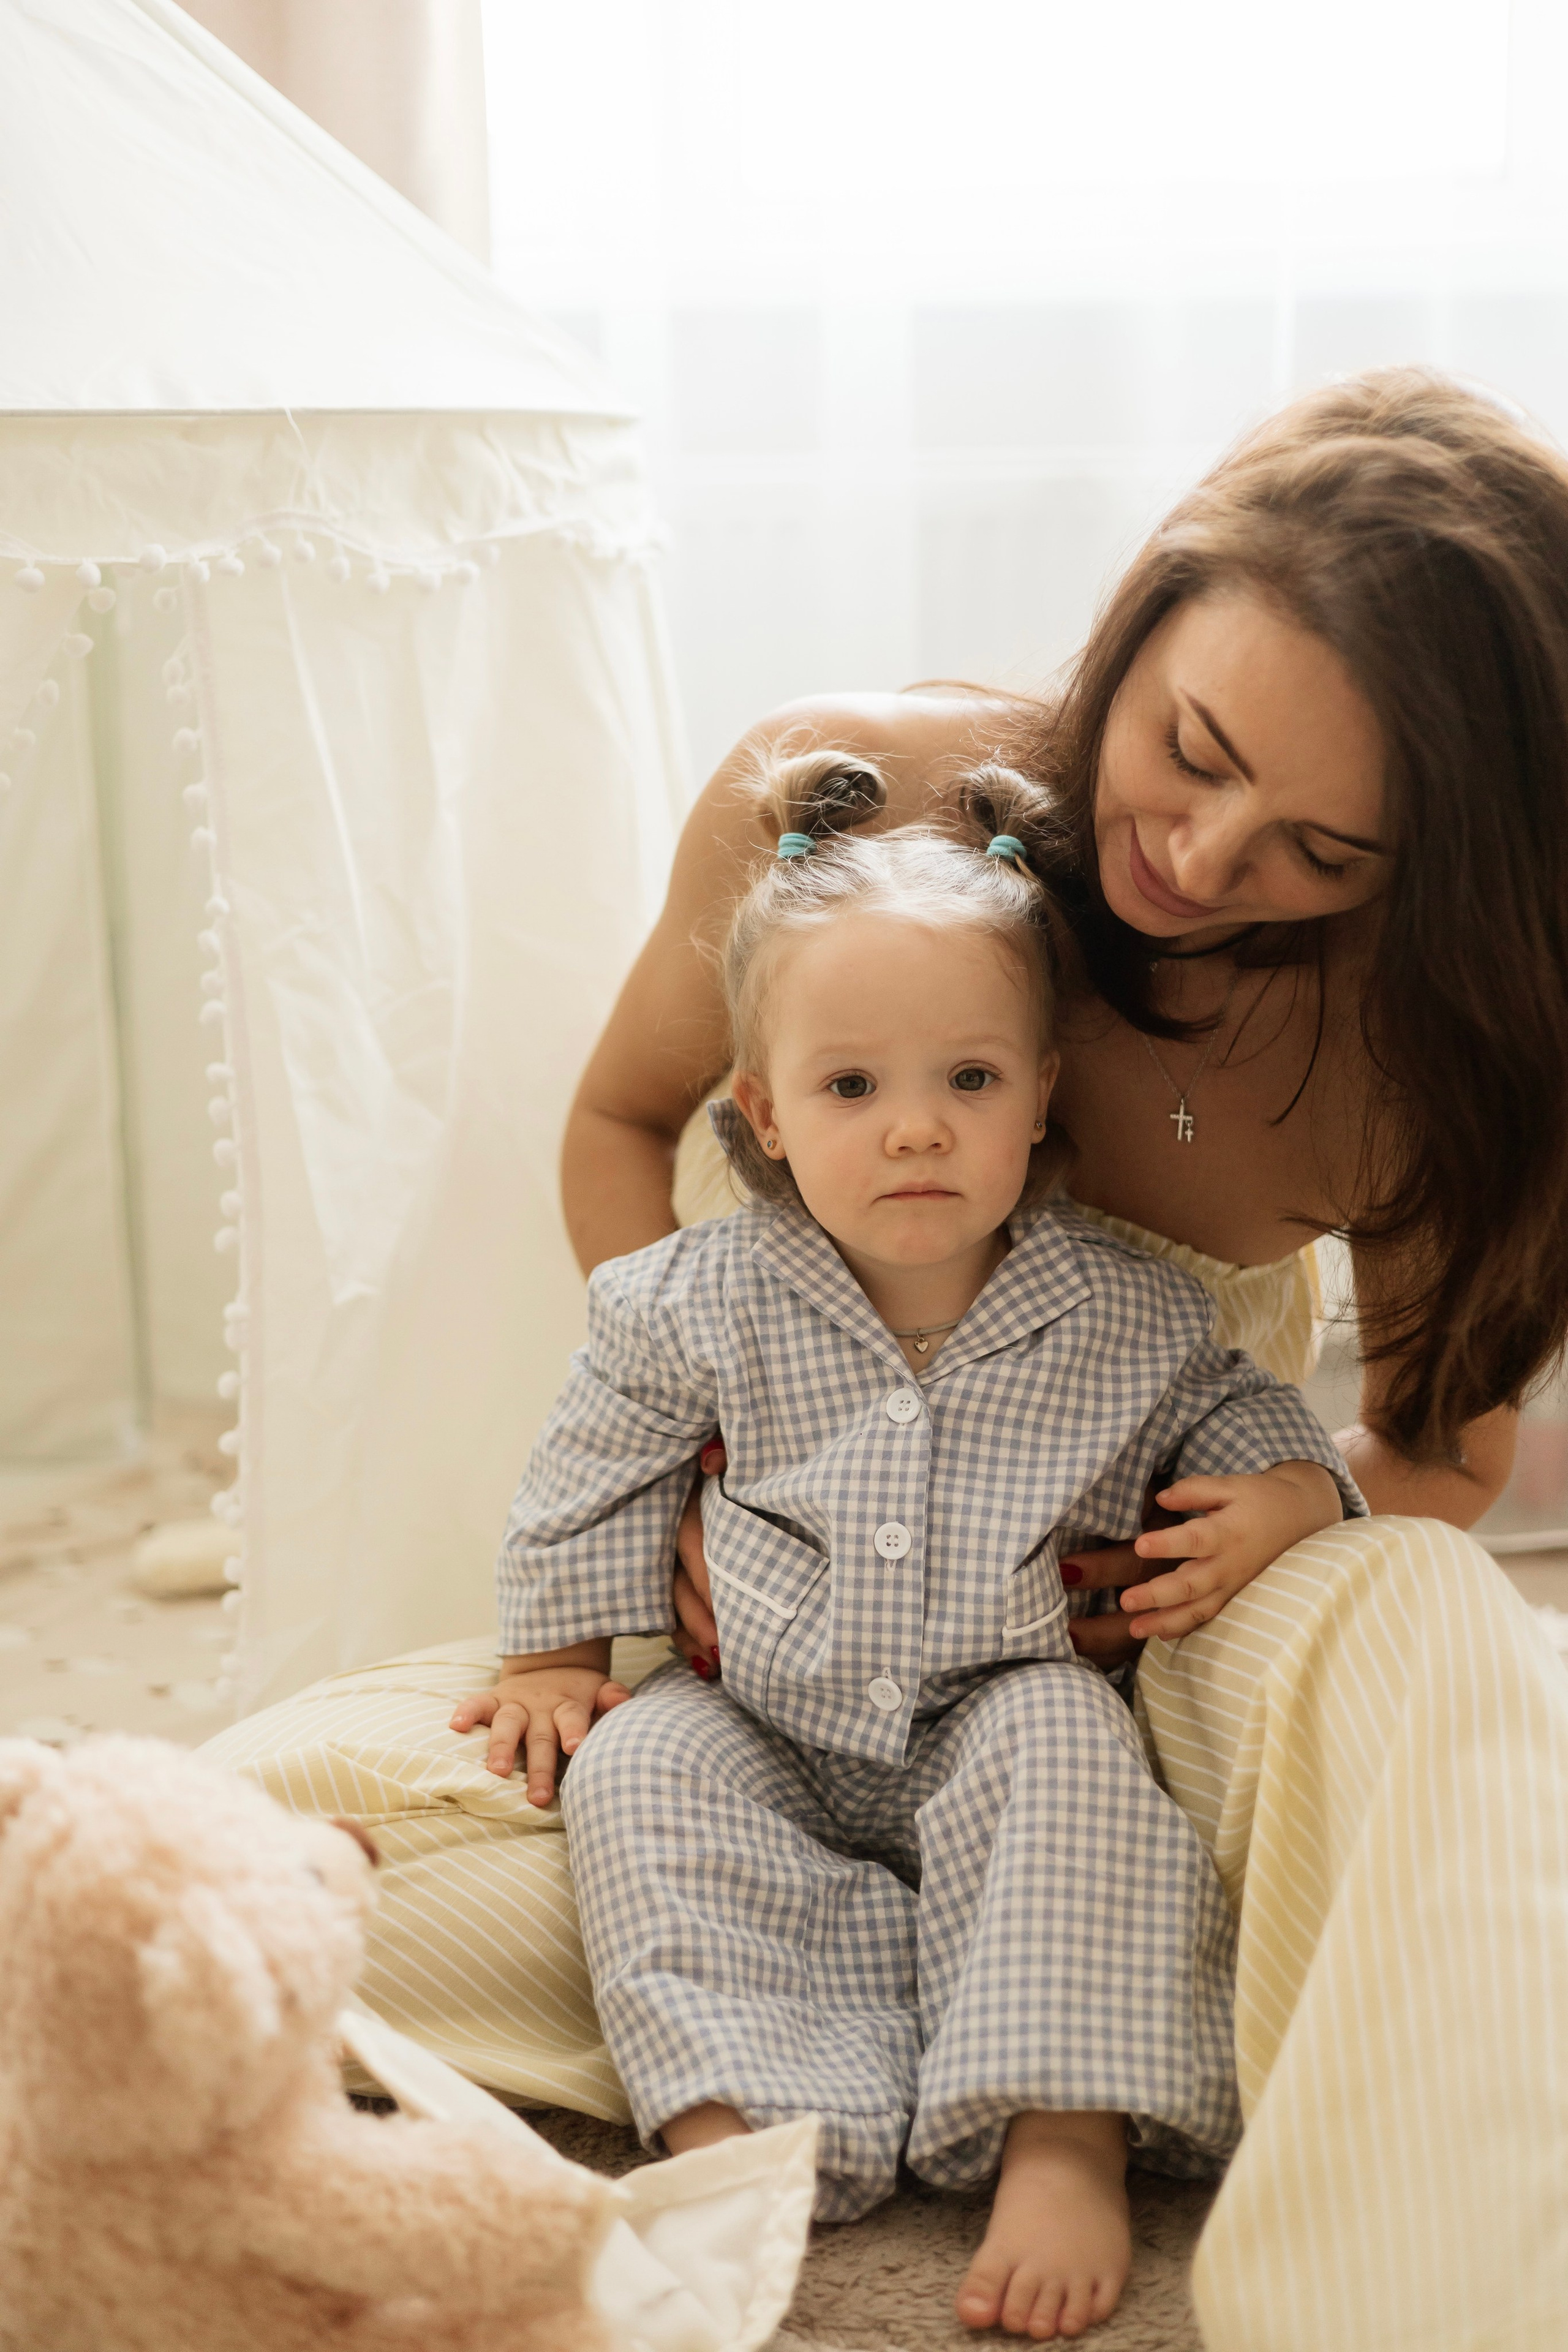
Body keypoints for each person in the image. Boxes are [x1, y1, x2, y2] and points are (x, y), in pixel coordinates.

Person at [206, 371, 1568, 2351]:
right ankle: (920, 2028)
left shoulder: (1424, 1042)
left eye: (1320, 851)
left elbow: (1442, 1447)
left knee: (1436, 1629)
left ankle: (1380, 2269)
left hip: (1135, 1641)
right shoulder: (840, 800)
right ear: (1147, 609)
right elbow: (615, 1127)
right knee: (236, 1885)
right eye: (1190, 751)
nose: (1199, 851)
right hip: (769, 1621)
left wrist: (1303, 1499)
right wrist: (698, 1478)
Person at [454, 756, 1361, 2339]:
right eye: (856, 1089)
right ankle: (733, 2132)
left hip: (998, 1705)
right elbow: (590, 1465)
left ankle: (1064, 2133)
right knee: (636, 1783)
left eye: (971, 1082)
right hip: (760, 1716)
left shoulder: (1130, 1315)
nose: (919, 1132)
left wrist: (1291, 1497)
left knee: (1081, 1765)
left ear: (1040, 1097)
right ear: (769, 1115)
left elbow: (1244, 1420)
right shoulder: (697, 1299)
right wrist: (555, 1655)